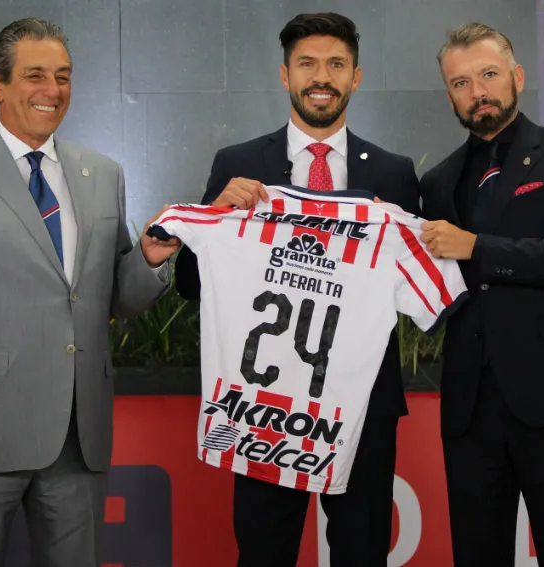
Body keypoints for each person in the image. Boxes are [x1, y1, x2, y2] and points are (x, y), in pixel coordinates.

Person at [0, 17, 179, 567]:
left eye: (64, 77)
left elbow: (111, 298)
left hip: (77, 436)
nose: (53, 91)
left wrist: (147, 260)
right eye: (36, 76)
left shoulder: (103, 172)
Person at [174, 12, 420, 567]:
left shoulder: (392, 173)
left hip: (361, 408)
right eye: (307, 64)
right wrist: (213, 217)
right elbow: (192, 284)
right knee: (264, 552)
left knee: (362, 553)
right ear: (285, 75)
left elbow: (412, 293)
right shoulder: (236, 164)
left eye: (336, 64)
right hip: (265, 406)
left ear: (357, 77)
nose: (321, 77)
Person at [418, 22, 544, 566]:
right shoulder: (437, 182)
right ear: (449, 95)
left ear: (517, 76)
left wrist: (476, 246)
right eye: (460, 83)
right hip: (470, 408)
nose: (477, 92)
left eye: (488, 75)